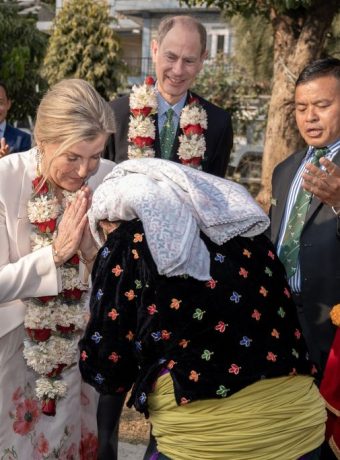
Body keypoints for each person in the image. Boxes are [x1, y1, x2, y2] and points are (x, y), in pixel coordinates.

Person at [79, 158, 326, 460]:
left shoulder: (129, 241)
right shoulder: (244, 232)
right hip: (301, 429)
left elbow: (107, 362)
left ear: (110, 216)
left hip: (207, 441)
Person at [0, 78, 115, 458]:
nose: (85, 171)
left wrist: (92, 255)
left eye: (95, 155)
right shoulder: (6, 178)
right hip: (14, 350)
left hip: (77, 353)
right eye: (73, 157)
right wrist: (53, 256)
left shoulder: (110, 178)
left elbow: (122, 283)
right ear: (43, 140)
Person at [268, 57, 340, 459]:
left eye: (322, 106)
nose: (309, 117)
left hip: (334, 335)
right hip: (281, 326)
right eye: (300, 108)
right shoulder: (285, 169)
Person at [104, 15, 233, 178]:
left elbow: (214, 197)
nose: (178, 70)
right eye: (171, 57)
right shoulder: (115, 115)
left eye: (189, 61)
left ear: (202, 60)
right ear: (155, 50)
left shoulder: (218, 124)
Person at [0, 81, 32, 158]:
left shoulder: (23, 139)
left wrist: (7, 161)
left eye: (0, 103)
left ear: (8, 104)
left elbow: (25, 169)